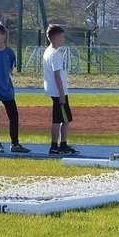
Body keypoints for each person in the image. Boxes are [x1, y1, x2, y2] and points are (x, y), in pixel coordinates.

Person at [0, 23, 30, 153]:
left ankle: (15, 144)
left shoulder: (10, 52)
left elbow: (10, 69)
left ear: (4, 36)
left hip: (6, 90)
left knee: (13, 117)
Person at [43, 24, 78, 155]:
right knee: (61, 120)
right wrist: (62, 94)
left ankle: (62, 145)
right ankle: (55, 146)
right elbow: (57, 75)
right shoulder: (55, 54)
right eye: (62, 36)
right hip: (58, 92)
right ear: (55, 37)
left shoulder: (49, 51)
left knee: (63, 119)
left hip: (55, 91)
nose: (64, 39)